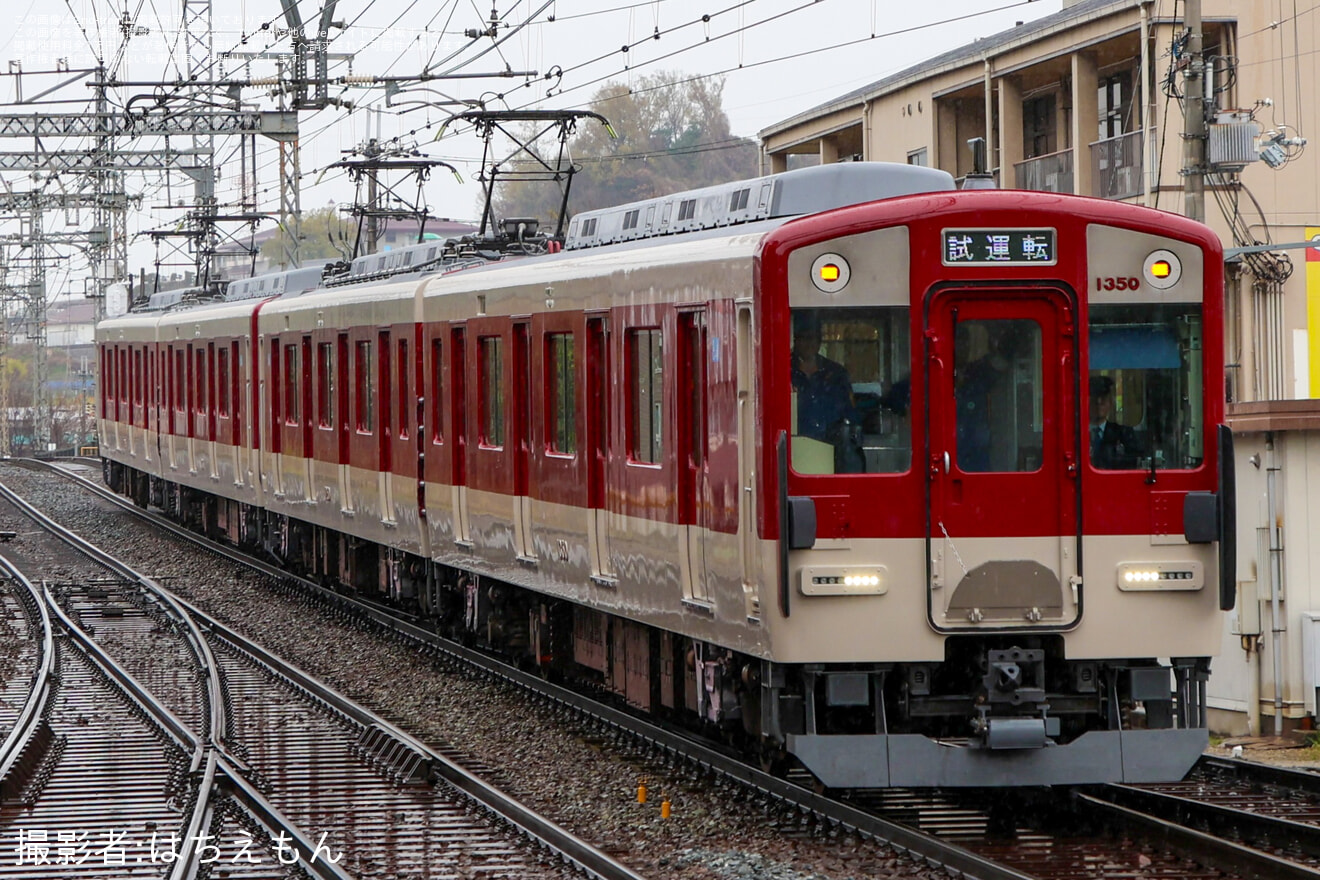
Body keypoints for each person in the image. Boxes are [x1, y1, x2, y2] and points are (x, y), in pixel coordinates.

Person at [791, 316, 862, 472]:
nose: (809, 343)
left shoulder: (836, 373)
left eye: (813, 338)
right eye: (803, 337)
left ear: (820, 340)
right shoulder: (783, 370)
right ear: (795, 340)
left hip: (833, 451)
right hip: (794, 451)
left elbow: (851, 416)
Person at [1089, 374, 1143, 469]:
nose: (1099, 402)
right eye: (1095, 397)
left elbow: (1135, 462)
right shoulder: (1075, 434)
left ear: (1110, 402)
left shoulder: (1124, 434)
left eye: (1104, 398)